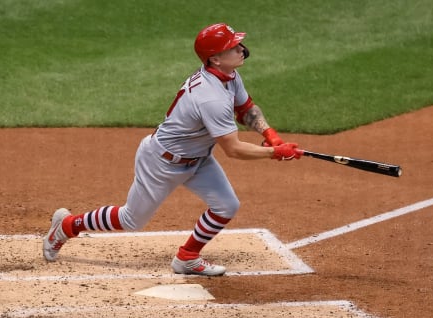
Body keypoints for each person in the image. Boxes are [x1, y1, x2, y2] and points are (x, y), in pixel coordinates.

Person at [43, 23, 302, 276]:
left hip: (198, 159)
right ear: (215, 59)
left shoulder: (230, 76)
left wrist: (271, 135)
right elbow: (233, 149)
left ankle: (187, 258)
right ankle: (67, 225)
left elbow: (246, 108)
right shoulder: (210, 97)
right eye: (233, 47)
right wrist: (274, 153)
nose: (241, 49)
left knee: (226, 205)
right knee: (131, 220)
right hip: (162, 162)